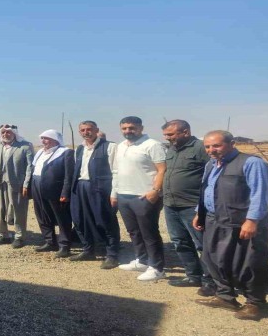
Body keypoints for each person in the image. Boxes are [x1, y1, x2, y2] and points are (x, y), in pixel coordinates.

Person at [193, 130, 268, 321]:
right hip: (215, 219)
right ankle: (225, 296)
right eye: (207, 146)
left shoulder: (252, 163)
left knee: (248, 263)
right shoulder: (211, 164)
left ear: (232, 143)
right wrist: (199, 212)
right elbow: (208, 189)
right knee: (214, 259)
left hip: (242, 222)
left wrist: (252, 220)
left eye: (216, 145)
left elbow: (260, 194)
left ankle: (255, 303)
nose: (211, 150)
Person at [161, 120, 214, 292]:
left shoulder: (200, 148)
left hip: (192, 206)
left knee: (202, 244)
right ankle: (193, 276)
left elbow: (213, 174)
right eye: (165, 135)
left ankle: (211, 281)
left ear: (185, 132)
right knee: (180, 241)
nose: (167, 138)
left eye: (171, 134)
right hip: (171, 204)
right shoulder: (172, 149)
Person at [113, 116, 167, 281]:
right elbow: (116, 171)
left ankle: (157, 267)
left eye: (132, 128)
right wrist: (114, 193)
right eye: (124, 128)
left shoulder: (152, 145)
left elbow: (162, 169)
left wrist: (155, 190)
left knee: (149, 232)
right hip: (124, 194)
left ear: (141, 128)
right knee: (134, 231)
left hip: (144, 196)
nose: (128, 131)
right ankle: (142, 260)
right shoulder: (121, 146)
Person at [69, 121, 121, 269]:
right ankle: (88, 250)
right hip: (80, 187)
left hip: (100, 189)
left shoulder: (110, 147)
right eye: (83, 130)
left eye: (89, 129)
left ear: (96, 130)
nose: (86, 132)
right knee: (80, 220)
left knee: (104, 220)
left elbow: (116, 171)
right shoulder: (79, 149)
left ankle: (112, 255)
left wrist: (114, 193)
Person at [28, 130, 75, 257]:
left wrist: (65, 192)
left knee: (61, 218)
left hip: (55, 189)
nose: (43, 141)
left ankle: (64, 245)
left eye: (46, 138)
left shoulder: (65, 152)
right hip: (37, 186)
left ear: (55, 140)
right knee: (42, 215)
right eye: (42, 138)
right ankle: (50, 241)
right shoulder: (40, 152)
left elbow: (69, 175)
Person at [0, 124, 34, 248]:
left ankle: (19, 237)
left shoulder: (25, 146)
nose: (5, 135)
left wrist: (26, 184)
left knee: (18, 211)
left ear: (14, 133)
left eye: (8, 132)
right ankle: (3, 235)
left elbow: (30, 167)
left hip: (17, 185)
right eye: (3, 132)